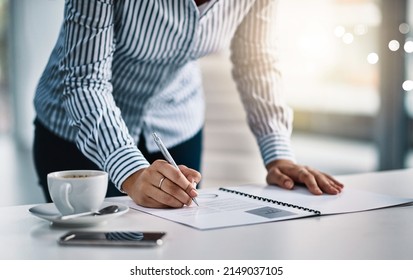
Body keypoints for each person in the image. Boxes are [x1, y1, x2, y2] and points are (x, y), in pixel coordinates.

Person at [33, 0, 343, 209]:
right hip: (76, 129)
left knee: (177, 250)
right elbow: (85, 80)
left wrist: (279, 157)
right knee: (96, 255)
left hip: (176, 124)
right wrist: (131, 172)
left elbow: (258, 62)